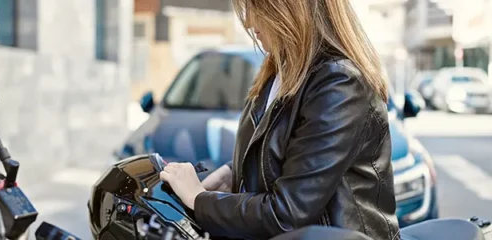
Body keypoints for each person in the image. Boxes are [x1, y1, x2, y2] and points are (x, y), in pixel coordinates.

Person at [158, 0, 400, 239]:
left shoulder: (339, 83)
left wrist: (198, 199)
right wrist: (235, 174)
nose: (250, 21)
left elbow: (287, 214)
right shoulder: (278, 72)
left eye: (257, 7)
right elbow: (295, 154)